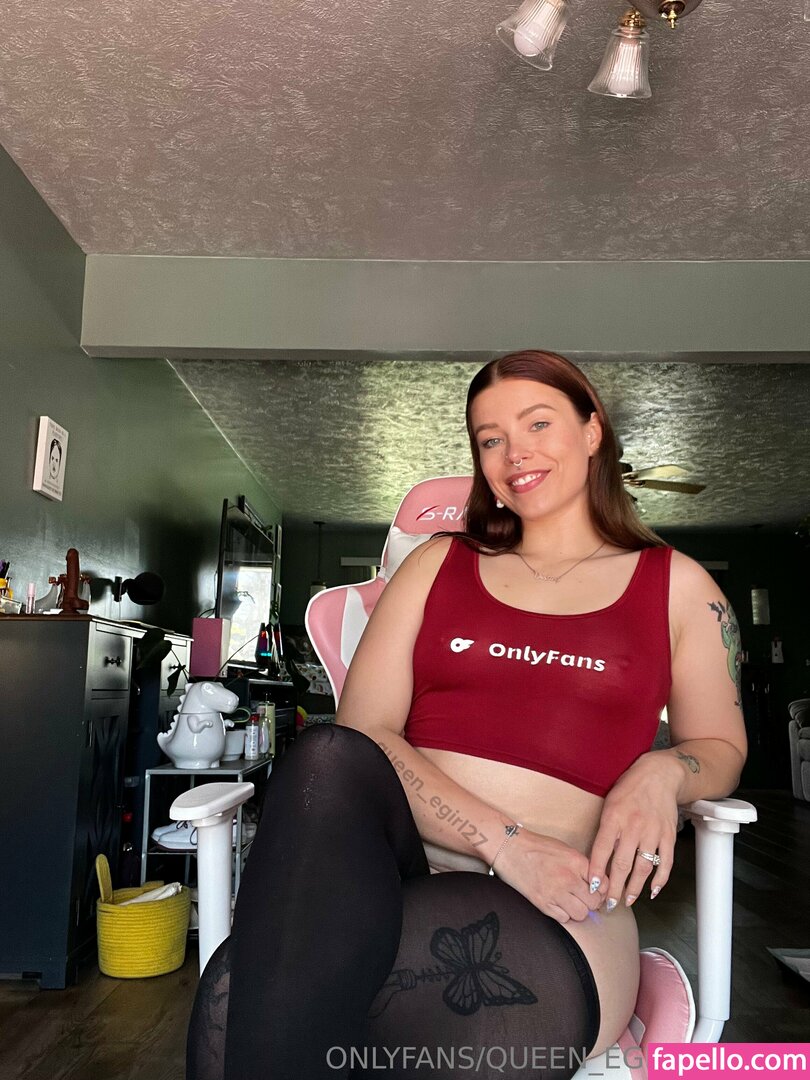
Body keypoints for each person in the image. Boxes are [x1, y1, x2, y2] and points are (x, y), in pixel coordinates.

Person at [187, 350, 747, 1080]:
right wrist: (504, 843)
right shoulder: (437, 565)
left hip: (558, 901)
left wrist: (664, 771)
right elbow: (362, 739)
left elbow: (721, 745)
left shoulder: (678, 586)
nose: (515, 454)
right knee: (325, 753)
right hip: (397, 871)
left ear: (592, 431)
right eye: (490, 438)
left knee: (248, 999)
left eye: (538, 424)